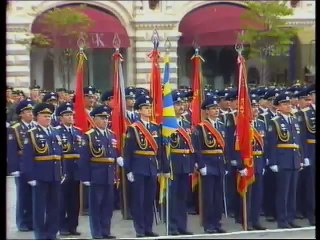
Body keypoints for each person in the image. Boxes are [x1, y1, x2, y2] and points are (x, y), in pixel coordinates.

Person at [79, 105, 122, 239]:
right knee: (96, 205)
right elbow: (84, 158)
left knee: (107, 206)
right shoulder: (89, 136)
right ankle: (96, 232)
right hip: (96, 174)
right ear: (94, 119)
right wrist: (85, 177)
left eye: (106, 118)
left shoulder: (111, 134)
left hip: (109, 174)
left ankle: (106, 230)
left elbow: (112, 154)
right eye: (101, 118)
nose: (105, 121)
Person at [22, 102, 63, 240]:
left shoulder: (55, 132)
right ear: (37, 117)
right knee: (39, 207)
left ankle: (52, 232)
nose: (47, 118)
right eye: (44, 116)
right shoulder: (32, 133)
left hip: (55, 174)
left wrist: (61, 171)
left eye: (49, 116)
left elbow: (59, 154)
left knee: (54, 206)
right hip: (40, 175)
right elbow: (27, 157)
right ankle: (40, 234)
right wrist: (30, 176)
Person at [123, 95, 162, 238]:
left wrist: (161, 167)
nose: (149, 110)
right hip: (138, 167)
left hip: (151, 166)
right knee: (138, 200)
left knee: (149, 199)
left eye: (150, 107)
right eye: (145, 107)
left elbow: (160, 150)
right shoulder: (133, 128)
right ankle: (139, 229)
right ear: (139, 110)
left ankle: (148, 228)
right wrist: (128, 170)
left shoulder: (155, 127)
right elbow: (128, 151)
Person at [268, 92, 303, 229]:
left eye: (289, 103)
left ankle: (290, 217)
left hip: (294, 159)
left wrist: (299, 158)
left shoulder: (293, 120)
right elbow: (271, 144)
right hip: (282, 160)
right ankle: (282, 219)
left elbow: (297, 141)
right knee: (283, 192)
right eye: (284, 104)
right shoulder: (275, 122)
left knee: (292, 192)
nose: (288, 106)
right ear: (278, 107)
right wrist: (273, 162)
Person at [193, 96, 227, 233]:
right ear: (206, 111)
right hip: (208, 164)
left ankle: (217, 223)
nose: (216, 111)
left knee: (218, 196)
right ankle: (208, 224)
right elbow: (197, 148)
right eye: (213, 108)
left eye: (217, 108)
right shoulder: (201, 127)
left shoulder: (221, 126)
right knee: (208, 197)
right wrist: (201, 165)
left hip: (219, 164)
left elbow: (227, 147)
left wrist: (227, 164)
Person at [167, 90, 195, 235]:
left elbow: (191, 145)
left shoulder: (186, 122)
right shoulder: (167, 124)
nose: (181, 106)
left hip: (185, 164)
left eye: (182, 103)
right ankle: (172, 226)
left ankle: (182, 226)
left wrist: (192, 163)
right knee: (172, 197)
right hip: (173, 163)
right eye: (177, 103)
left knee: (183, 197)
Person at [7, 98, 35, 232]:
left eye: (31, 111)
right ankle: (22, 222)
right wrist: (14, 168)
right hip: (22, 166)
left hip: (35, 166)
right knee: (23, 195)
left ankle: (32, 220)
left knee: (34, 195)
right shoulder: (15, 129)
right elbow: (12, 150)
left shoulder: (36, 127)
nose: (30, 113)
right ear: (21, 114)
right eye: (27, 111)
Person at [55, 102, 83, 236]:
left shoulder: (78, 132)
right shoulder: (57, 132)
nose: (70, 117)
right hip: (64, 168)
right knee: (62, 200)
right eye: (67, 115)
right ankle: (62, 226)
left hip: (76, 169)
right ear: (60, 118)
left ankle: (73, 225)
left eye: (71, 114)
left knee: (75, 201)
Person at [247, 94, 267, 230]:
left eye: (256, 106)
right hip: (248, 162)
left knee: (258, 193)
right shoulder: (243, 124)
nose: (255, 109)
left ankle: (256, 220)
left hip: (259, 161)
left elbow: (265, 144)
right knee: (248, 193)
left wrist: (265, 161)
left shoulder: (260, 123)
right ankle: (247, 220)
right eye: (252, 107)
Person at [296, 84, 315, 226]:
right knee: (311, 185)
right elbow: (301, 137)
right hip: (311, 150)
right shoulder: (304, 114)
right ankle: (311, 214)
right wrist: (305, 156)